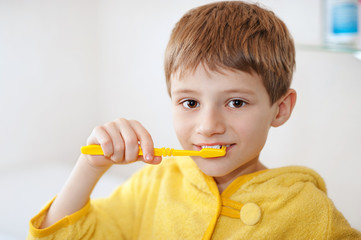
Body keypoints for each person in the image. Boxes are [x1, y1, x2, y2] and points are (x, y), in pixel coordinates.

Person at [27, 1, 361, 239]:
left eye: (235, 102)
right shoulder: (154, 186)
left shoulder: (306, 211)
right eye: (190, 102)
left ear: (281, 109)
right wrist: (89, 168)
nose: (208, 125)